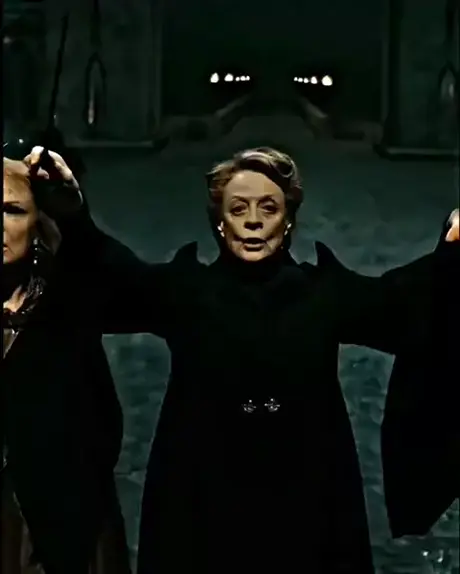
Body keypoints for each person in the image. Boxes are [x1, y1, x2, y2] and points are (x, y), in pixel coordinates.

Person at [28, 146, 459, 574]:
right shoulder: (187, 292)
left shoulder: (324, 293)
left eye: (268, 208)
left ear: (288, 219)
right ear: (220, 220)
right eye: (238, 209)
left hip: (306, 500)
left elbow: (406, 304)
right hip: (203, 499)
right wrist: (73, 214)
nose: (253, 221)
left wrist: (455, 248)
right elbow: (112, 275)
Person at [1, 157, 132, 573]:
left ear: (37, 223)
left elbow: (144, 294)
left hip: (62, 530)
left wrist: (75, 217)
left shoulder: (69, 303)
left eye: (12, 210)